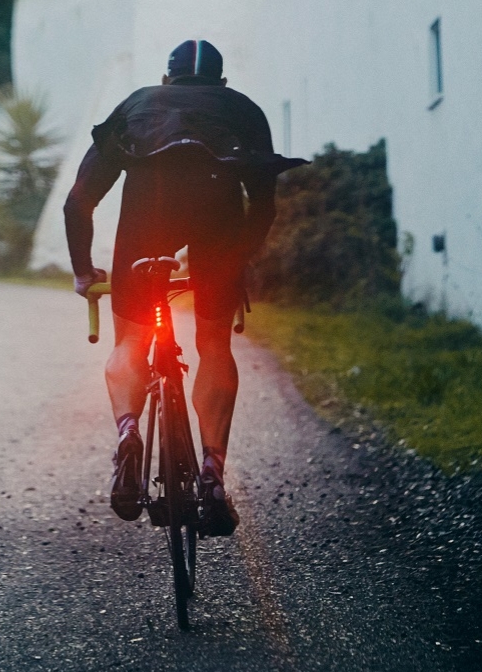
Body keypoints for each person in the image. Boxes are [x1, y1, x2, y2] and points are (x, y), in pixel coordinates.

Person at [64, 40, 305, 536]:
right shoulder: (241, 109)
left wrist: (85, 271)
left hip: (144, 221)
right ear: (219, 83)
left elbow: (77, 204)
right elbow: (263, 206)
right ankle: (213, 472)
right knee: (214, 344)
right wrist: (238, 259)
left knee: (131, 342)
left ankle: (129, 434)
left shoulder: (138, 105)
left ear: (167, 80)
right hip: (217, 219)